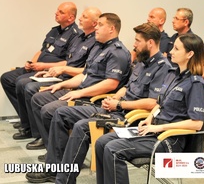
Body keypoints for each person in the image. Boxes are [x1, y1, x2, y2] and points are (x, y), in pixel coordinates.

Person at [25, 22, 171, 183]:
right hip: (116, 109)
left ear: (150, 43)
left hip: (132, 118)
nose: (134, 45)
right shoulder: (142, 63)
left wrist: (120, 104)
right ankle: (56, 170)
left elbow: (152, 103)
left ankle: (63, 179)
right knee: (61, 113)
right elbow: (127, 88)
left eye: (137, 41)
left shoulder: (163, 68)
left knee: (82, 127)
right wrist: (116, 97)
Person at [95, 34, 204, 184]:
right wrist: (149, 119)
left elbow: (196, 124)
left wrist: (158, 127)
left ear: (190, 54)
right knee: (101, 142)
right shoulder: (172, 75)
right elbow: (160, 104)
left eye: (176, 48)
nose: (171, 51)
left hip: (169, 139)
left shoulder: (196, 84)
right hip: (154, 131)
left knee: (113, 149)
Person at [30, 13, 131, 152]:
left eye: (101, 25)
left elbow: (111, 84)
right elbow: (84, 74)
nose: (96, 28)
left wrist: (79, 93)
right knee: (38, 98)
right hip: (81, 90)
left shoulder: (117, 52)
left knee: (49, 111)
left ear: (111, 29)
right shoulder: (98, 47)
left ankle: (59, 154)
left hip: (92, 98)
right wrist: (62, 85)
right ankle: (52, 147)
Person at [11, 7, 101, 151]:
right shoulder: (79, 38)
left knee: (29, 88)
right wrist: (50, 71)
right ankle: (34, 130)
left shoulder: (95, 43)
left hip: (72, 80)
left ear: (94, 23)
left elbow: (84, 71)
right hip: (62, 76)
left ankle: (42, 136)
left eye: (84, 17)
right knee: (21, 82)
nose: (80, 19)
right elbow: (67, 60)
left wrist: (61, 70)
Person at [0, 2, 80, 126]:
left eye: (61, 12)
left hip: (51, 72)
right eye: (57, 10)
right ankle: (26, 118)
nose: (56, 13)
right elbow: (42, 50)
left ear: (70, 17)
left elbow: (68, 62)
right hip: (38, 67)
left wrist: (44, 66)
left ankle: (30, 126)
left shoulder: (76, 35)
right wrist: (32, 62)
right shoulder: (54, 31)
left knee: (22, 82)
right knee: (6, 78)